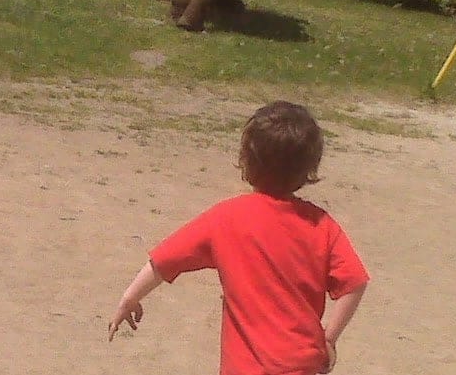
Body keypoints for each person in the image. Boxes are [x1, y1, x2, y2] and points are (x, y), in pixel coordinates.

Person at [107, 101, 369, 375]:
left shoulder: (227, 218)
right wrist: (329, 338)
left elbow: (163, 261)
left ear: (248, 161)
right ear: (309, 168)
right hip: (300, 365)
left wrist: (130, 298)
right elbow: (355, 282)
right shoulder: (321, 225)